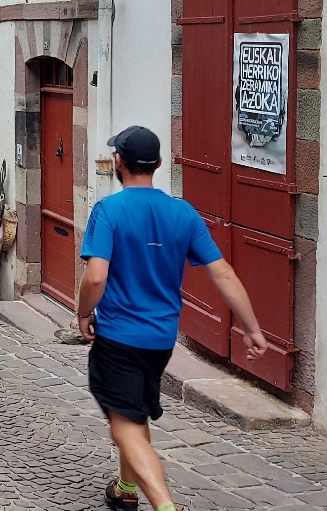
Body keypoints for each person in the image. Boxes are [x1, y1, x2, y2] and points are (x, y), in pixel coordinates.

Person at [76, 126, 267, 511]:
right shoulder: (183, 213)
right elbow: (223, 274)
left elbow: (96, 275)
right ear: (159, 163)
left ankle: (165, 505)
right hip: (161, 339)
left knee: (124, 425)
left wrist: (82, 313)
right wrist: (252, 328)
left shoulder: (109, 210)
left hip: (119, 337)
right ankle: (126, 488)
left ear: (118, 163)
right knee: (132, 409)